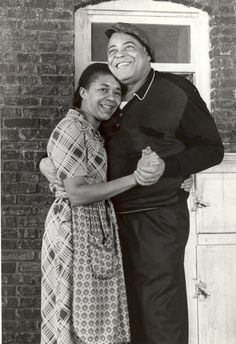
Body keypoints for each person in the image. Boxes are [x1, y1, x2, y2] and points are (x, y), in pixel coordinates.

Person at [40, 23, 224, 344]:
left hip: (158, 218)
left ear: (147, 54)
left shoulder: (175, 90)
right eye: (112, 51)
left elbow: (211, 148)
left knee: (160, 309)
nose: (118, 55)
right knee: (124, 313)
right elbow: (75, 143)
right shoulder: (111, 99)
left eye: (128, 48)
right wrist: (43, 162)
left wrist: (170, 166)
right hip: (109, 222)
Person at [41, 62, 162, 344]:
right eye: (103, 89)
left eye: (117, 91)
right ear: (83, 91)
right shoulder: (73, 128)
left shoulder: (94, 130)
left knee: (93, 318)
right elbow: (78, 194)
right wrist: (137, 178)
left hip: (92, 227)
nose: (111, 97)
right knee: (74, 319)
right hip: (73, 228)